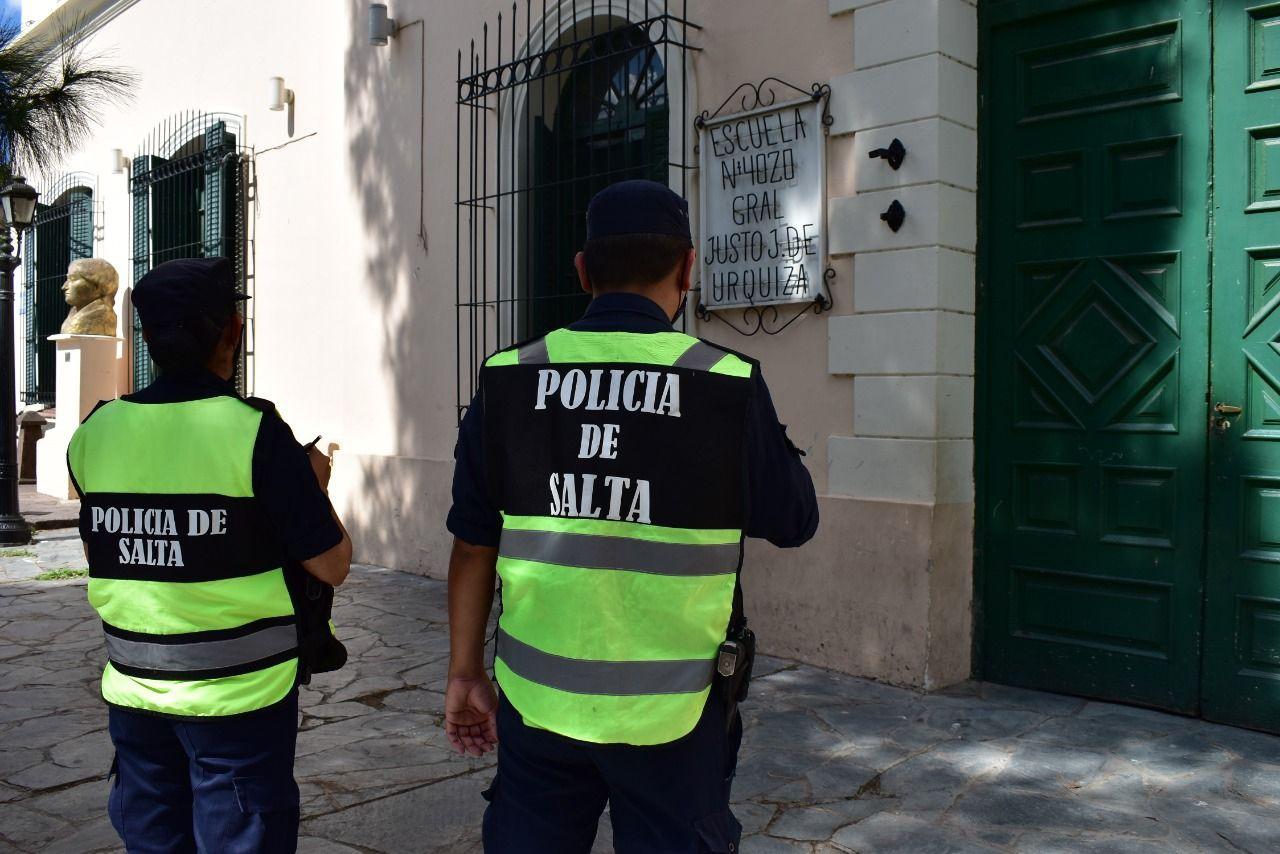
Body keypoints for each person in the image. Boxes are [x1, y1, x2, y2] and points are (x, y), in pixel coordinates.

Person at [445, 180, 819, 853]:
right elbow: (793, 519)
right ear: (686, 268)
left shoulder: (508, 377)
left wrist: (465, 672)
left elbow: (473, 544)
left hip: (539, 704)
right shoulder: (726, 381)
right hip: (674, 714)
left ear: (583, 272)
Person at [67, 257, 353, 853]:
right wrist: (316, 484)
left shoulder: (94, 432)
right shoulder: (255, 431)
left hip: (136, 689)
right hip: (240, 698)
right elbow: (333, 564)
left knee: (154, 839)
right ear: (234, 331)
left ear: (146, 339)